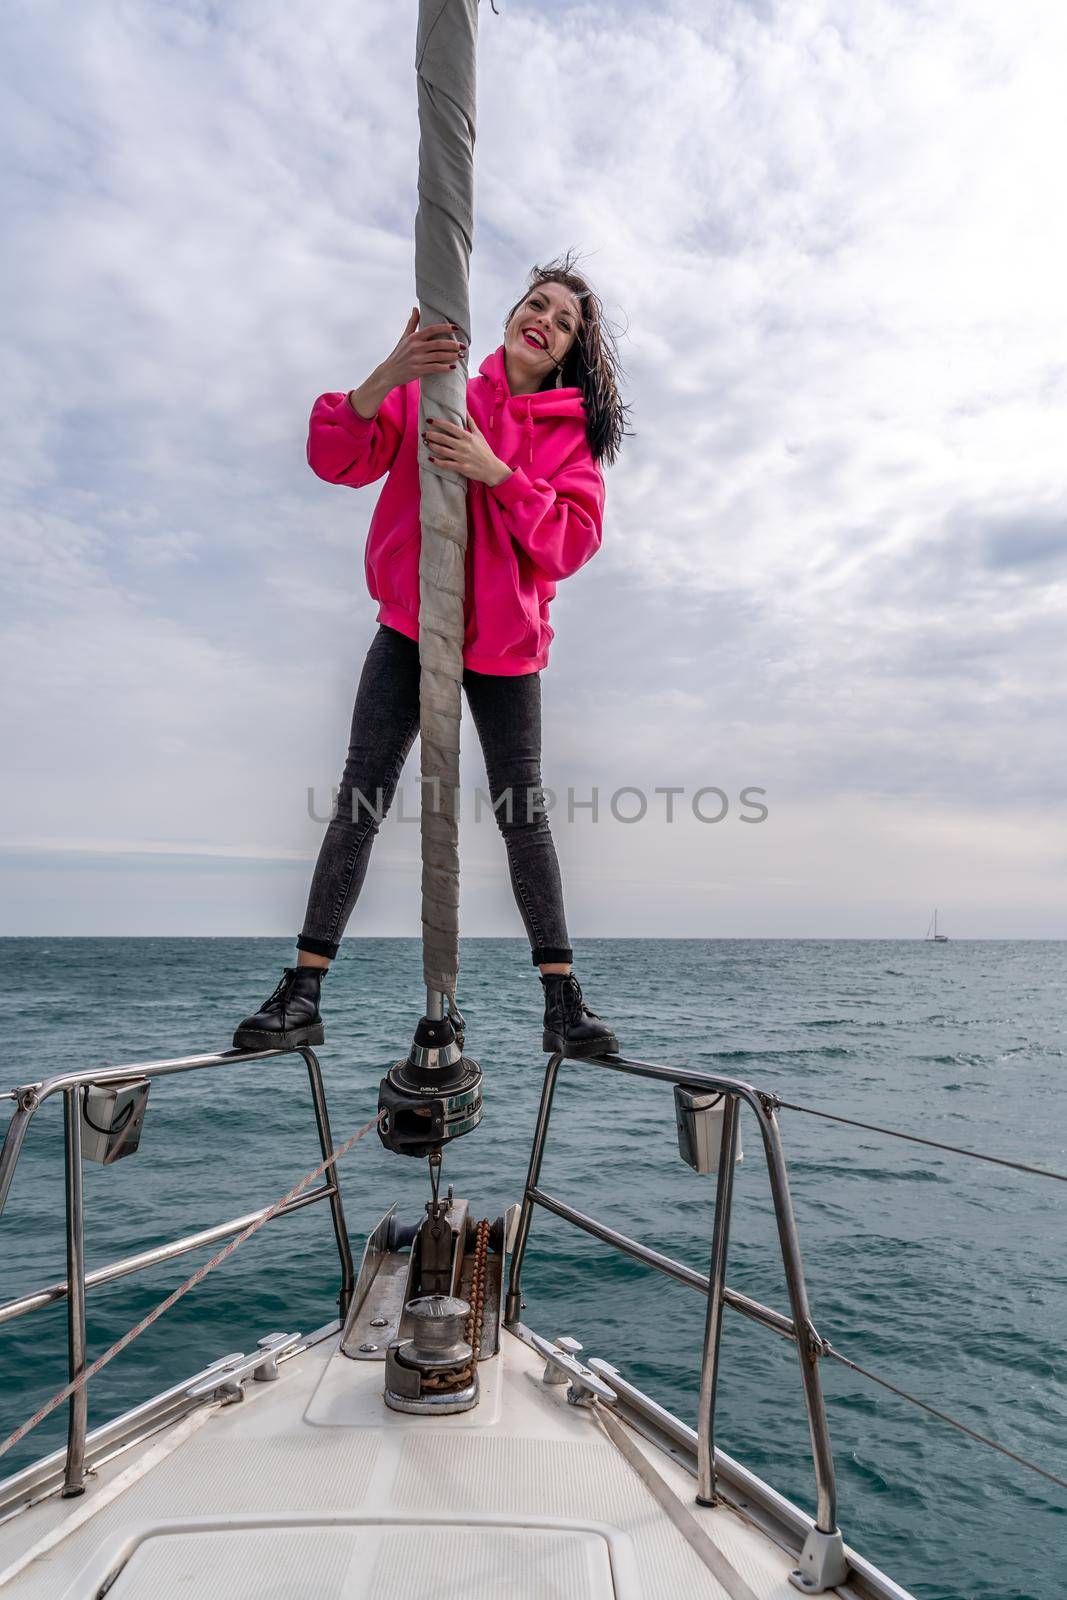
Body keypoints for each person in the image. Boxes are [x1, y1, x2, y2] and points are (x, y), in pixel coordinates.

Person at [232, 249, 632, 1059]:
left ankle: (562, 1003)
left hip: (507, 648)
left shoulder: (567, 442)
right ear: (515, 311)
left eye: (563, 322)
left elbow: (567, 544)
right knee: (360, 798)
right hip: (413, 624)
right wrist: (386, 374)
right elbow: (335, 458)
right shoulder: (439, 388)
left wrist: (497, 473)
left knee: (523, 813)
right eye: (539, 304)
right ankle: (303, 991)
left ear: (568, 351)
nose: (545, 321)